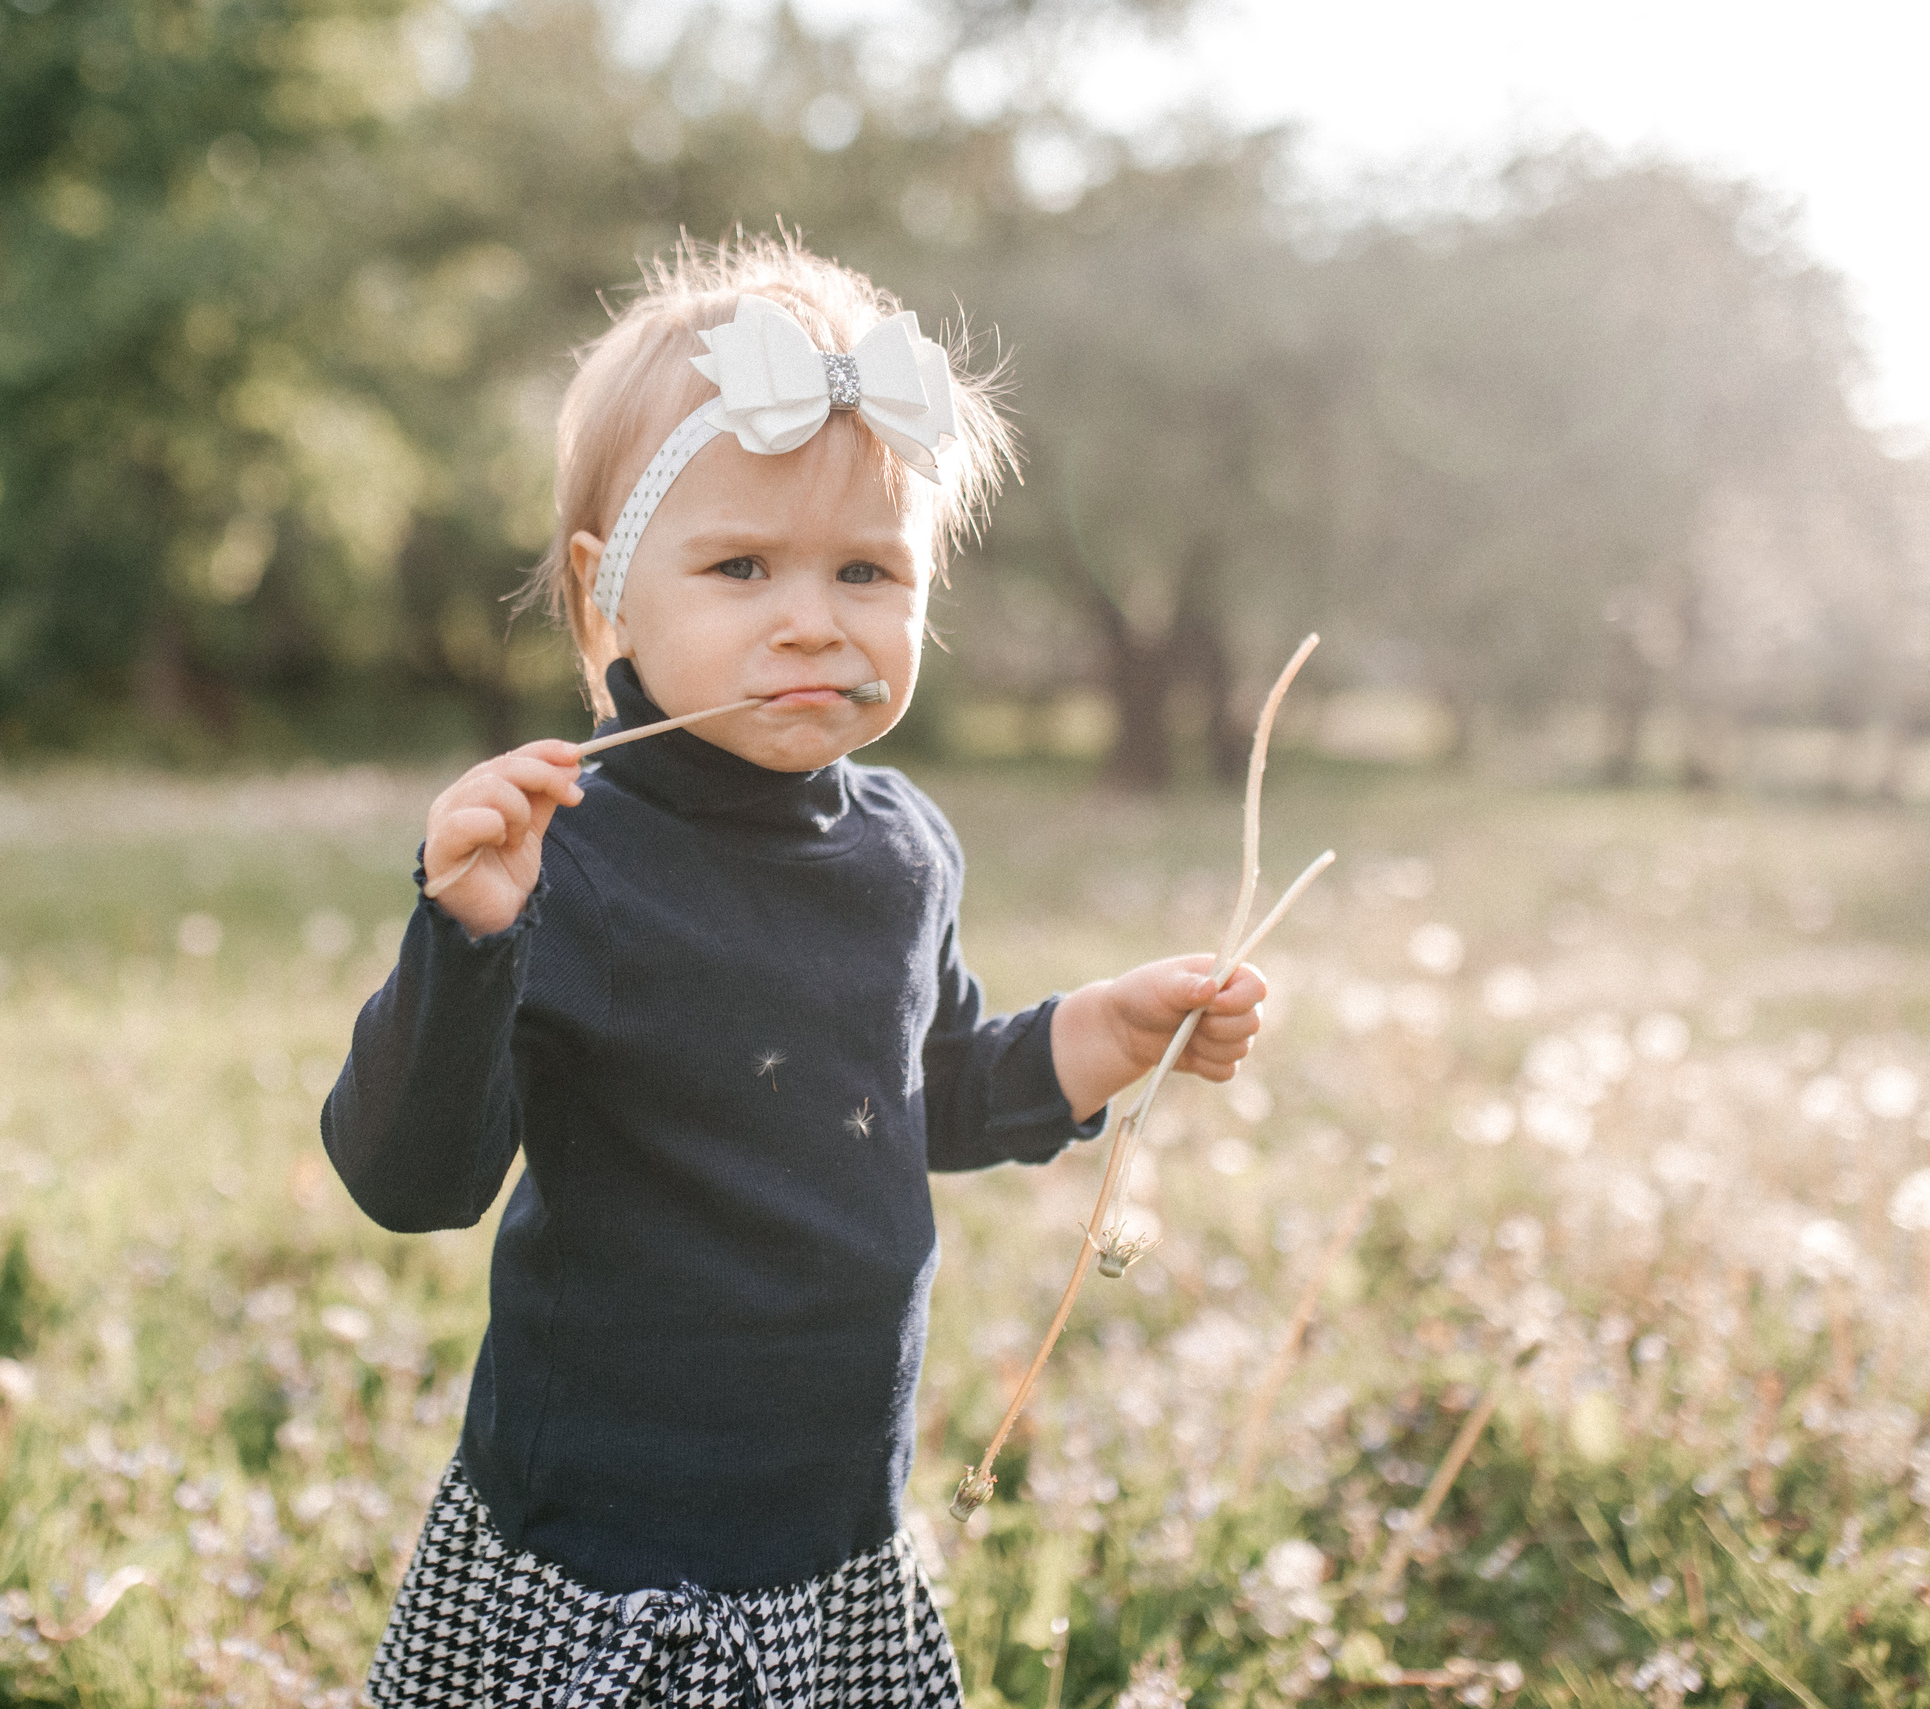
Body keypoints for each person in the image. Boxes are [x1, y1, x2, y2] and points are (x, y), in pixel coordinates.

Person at [322, 235, 1266, 1708]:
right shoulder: (561, 859)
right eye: (743, 566)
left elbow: (928, 1091)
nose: (814, 617)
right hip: (602, 1543)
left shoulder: (904, 847)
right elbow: (413, 1178)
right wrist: (470, 939)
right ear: (611, 594)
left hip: (827, 1531)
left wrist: (1102, 1031)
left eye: (866, 570)